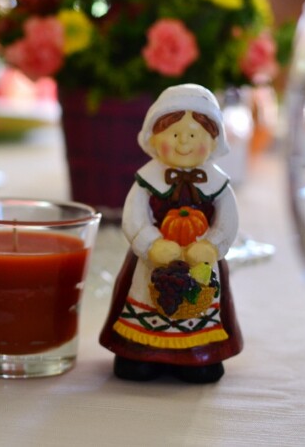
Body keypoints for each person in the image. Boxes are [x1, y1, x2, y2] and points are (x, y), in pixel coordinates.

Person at [99, 83, 243, 384]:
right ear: (155, 137)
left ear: (213, 140)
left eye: (193, 136)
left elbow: (228, 223)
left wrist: (212, 245)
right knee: (143, 299)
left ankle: (198, 355)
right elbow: (134, 218)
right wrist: (151, 244)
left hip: (200, 265)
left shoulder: (218, 185)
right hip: (152, 263)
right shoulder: (145, 182)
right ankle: (139, 353)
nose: (184, 144)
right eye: (175, 135)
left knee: (199, 305)